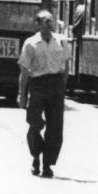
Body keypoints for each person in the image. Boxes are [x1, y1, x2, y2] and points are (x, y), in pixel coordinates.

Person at [17, 10, 71, 178]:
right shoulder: (30, 43)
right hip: (38, 85)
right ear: (38, 24)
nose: (49, 24)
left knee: (55, 128)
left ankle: (47, 164)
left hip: (56, 84)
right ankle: (36, 155)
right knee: (34, 124)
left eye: (51, 21)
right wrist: (22, 94)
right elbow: (24, 71)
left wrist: (63, 86)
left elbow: (66, 66)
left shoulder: (61, 41)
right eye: (46, 21)